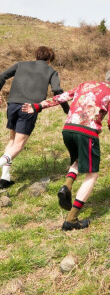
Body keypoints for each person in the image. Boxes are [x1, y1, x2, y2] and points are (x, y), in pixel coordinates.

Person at [22, 68, 110, 230]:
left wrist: (37, 106)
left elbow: (61, 97)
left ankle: (67, 186)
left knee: (78, 159)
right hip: (87, 132)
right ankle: (71, 220)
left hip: (68, 129)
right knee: (92, 174)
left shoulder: (86, 84)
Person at [0, 46, 69, 189]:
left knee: (12, 140)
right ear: (49, 59)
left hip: (12, 105)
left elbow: (2, 76)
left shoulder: (20, 64)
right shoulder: (51, 71)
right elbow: (57, 90)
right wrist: (67, 109)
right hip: (29, 108)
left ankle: (5, 178)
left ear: (36, 56)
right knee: (19, 145)